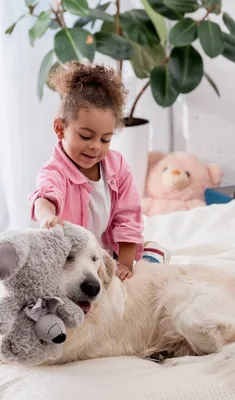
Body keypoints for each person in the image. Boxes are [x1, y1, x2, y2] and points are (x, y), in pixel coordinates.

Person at [29, 61, 168, 280]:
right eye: (85, 136)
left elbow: (128, 218)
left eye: (105, 139)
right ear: (60, 128)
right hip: (73, 257)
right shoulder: (55, 171)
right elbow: (44, 197)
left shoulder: (118, 168)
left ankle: (147, 255)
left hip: (108, 253)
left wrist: (124, 265)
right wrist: (47, 217)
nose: (95, 146)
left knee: (152, 254)